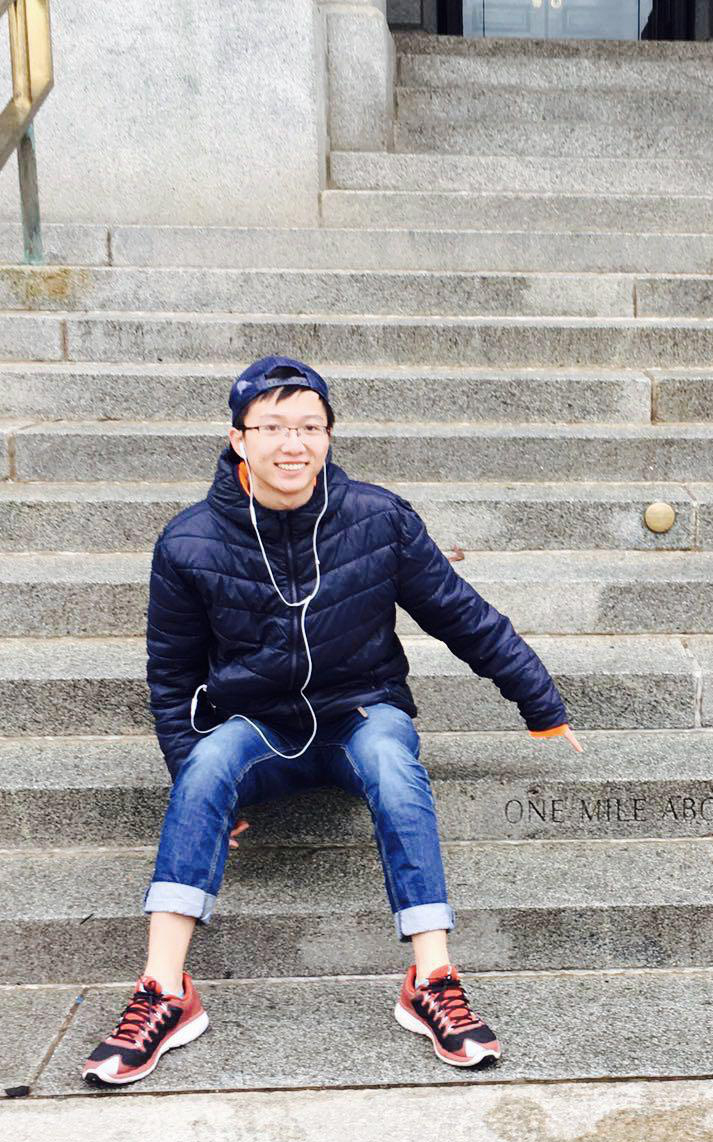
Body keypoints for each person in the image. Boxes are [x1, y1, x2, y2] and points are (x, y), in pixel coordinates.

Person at [82, 356, 580, 1087]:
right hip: (257, 728)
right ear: (238, 438)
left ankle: (432, 980)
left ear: (328, 436)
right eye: (273, 427)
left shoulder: (378, 519)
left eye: (309, 427)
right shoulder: (188, 542)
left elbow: (460, 614)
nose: (294, 443)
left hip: (359, 715)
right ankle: (165, 991)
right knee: (207, 763)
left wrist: (540, 703)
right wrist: (196, 782)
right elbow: (172, 678)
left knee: (392, 761)